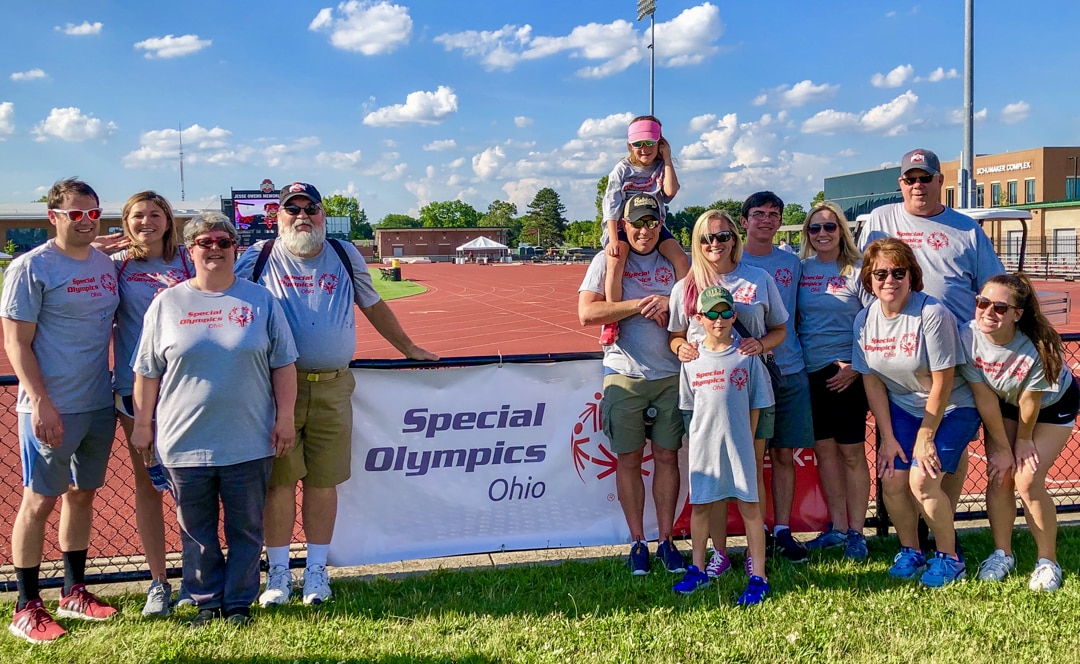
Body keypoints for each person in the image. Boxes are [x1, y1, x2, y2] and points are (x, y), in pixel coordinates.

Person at [233, 182, 438, 608]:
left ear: (324, 214)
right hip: (275, 390)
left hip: (333, 385)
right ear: (278, 217)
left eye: (312, 208)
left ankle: (316, 572)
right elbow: (228, 304)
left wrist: (409, 348)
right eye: (293, 209)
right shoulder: (260, 257)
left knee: (323, 483)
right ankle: (276, 575)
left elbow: (373, 304)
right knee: (279, 483)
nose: (303, 216)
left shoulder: (345, 254)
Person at [131, 212, 298, 627]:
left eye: (224, 242)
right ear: (191, 249)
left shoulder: (260, 301)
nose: (215, 249)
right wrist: (142, 423)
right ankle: (206, 600)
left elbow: (284, 365)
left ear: (234, 248)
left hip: (248, 437)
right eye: (205, 242)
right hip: (184, 440)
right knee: (196, 532)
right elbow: (147, 370)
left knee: (245, 529)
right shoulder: (167, 303)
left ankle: (239, 602)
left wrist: (286, 417)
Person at [2, 178, 120, 644]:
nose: (87, 221)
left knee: (82, 494)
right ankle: (26, 604)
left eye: (93, 213)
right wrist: (41, 404)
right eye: (76, 214)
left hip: (96, 400)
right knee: (38, 501)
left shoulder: (105, 263)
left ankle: (74, 591)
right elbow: (16, 342)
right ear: (54, 216)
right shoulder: (31, 267)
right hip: (51, 407)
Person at [853, 238, 980, 587]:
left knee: (922, 479)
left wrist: (925, 436)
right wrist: (888, 438)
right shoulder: (865, 319)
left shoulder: (932, 313)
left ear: (912, 276)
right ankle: (911, 550)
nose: (889, 280)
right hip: (903, 407)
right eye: (880, 273)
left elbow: (944, 379)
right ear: (869, 278)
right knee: (892, 477)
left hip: (953, 406)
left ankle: (949, 557)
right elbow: (872, 381)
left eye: (898, 272)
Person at [668, 209, 786, 578]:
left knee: (748, 470)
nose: (714, 244)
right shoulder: (686, 286)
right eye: (706, 238)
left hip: (748, 385)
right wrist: (679, 349)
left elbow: (780, 329)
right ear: (697, 243)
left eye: (722, 236)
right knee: (713, 476)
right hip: (705, 391)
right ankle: (717, 553)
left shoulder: (758, 277)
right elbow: (674, 335)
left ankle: (756, 555)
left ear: (734, 238)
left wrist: (760, 345)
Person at [579, 192, 686, 576]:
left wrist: (669, 303)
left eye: (652, 222)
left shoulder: (675, 260)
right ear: (623, 225)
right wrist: (642, 304)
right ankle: (638, 540)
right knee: (628, 459)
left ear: (661, 224)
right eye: (637, 223)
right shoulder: (606, 258)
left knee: (667, 458)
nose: (644, 230)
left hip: (670, 375)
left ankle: (667, 541)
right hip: (624, 373)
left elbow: (697, 303)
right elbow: (587, 313)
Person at [963, 274, 1079, 592]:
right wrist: (1002, 446)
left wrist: (1023, 441)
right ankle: (1002, 554)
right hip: (1004, 402)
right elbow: (984, 396)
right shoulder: (966, 336)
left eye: (1000, 307)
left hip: (1050, 406)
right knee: (1000, 473)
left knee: (1027, 479)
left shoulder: (1039, 346)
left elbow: (1031, 401)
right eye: (982, 303)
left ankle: (1048, 561)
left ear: (1017, 314)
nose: (988, 312)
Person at [110, 191, 194, 617]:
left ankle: (198, 576)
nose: (147, 222)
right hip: (135, 389)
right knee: (149, 484)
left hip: (188, 391)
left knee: (194, 484)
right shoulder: (116, 265)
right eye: (138, 216)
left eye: (155, 214)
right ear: (126, 221)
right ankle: (158, 581)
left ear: (168, 220)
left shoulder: (188, 263)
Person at [673, 286, 774, 605]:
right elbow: (688, 408)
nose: (719, 319)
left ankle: (758, 576)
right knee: (701, 506)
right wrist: (698, 440)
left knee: (750, 508)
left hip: (739, 445)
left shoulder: (747, 356)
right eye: (712, 314)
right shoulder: (691, 359)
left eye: (726, 313)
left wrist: (746, 436)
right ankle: (698, 569)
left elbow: (758, 402)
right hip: (704, 448)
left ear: (734, 315)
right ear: (699, 318)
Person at [796, 202, 874, 559]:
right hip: (809, 373)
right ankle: (838, 528)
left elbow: (876, 324)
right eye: (815, 229)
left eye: (830, 227)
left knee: (852, 455)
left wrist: (856, 367)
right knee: (825, 454)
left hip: (847, 375)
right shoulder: (801, 270)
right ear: (807, 235)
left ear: (842, 230)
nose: (823, 234)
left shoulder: (858, 271)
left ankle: (857, 532)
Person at [739, 191, 813, 563]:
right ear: (744, 221)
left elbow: (796, 316)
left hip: (790, 368)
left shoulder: (791, 263)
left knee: (784, 453)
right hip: (746, 374)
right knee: (752, 456)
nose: (766, 220)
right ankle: (754, 532)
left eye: (773, 214)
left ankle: (782, 529)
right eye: (758, 214)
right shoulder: (731, 260)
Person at [857, 148, 1005, 322]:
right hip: (897, 335)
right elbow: (861, 278)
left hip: (955, 335)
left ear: (940, 180)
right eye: (910, 180)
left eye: (925, 178)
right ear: (901, 183)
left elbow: (995, 286)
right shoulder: (880, 219)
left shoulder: (968, 229)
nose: (917, 185)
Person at [598, 115, 689, 346]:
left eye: (650, 143)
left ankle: (682, 310)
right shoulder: (622, 170)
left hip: (654, 226)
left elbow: (669, 192)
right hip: (623, 225)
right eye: (638, 144)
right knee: (616, 260)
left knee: (680, 259)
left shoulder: (660, 167)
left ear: (660, 143)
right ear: (630, 146)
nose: (644, 149)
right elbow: (611, 204)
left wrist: (667, 158)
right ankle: (611, 320)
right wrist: (612, 238)